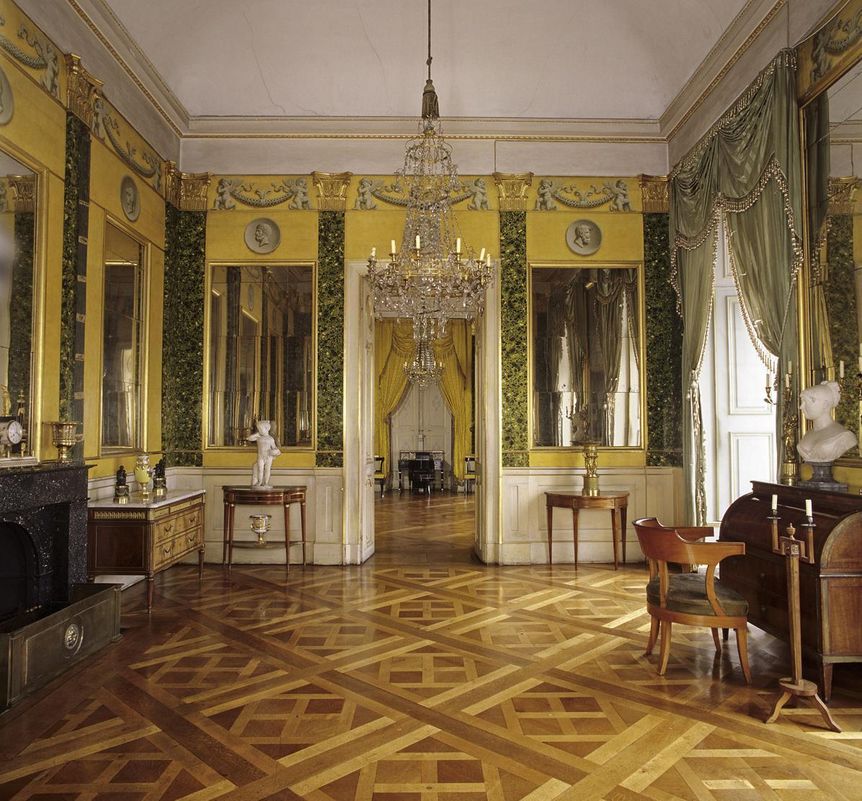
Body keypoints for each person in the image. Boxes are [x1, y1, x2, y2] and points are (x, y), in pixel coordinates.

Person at [796, 381, 857, 463]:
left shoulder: (844, 436)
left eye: (806, 402)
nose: (801, 407)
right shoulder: (808, 434)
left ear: (825, 405)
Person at [248, 420, 281, 487]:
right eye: (258, 429)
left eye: (260, 429)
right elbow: (249, 438)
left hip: (269, 457)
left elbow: (274, 447)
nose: (259, 430)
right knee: (260, 469)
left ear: (266, 429)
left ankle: (266, 482)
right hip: (261, 457)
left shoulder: (270, 439)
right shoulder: (259, 437)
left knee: (267, 469)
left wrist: (275, 452)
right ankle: (260, 482)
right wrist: (257, 434)